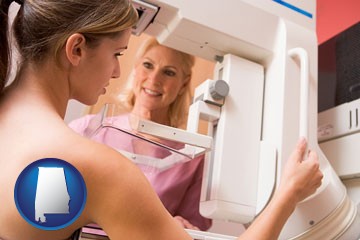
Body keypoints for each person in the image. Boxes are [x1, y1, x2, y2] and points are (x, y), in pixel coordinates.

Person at [0, 0, 323, 240]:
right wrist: (289, 194)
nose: (115, 71)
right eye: (118, 54)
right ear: (77, 49)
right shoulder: (96, 164)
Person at [69, 37, 212, 231]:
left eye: (169, 72)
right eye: (148, 65)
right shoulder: (87, 129)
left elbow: (194, 227)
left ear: (183, 84)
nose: (154, 79)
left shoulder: (192, 158)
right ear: (136, 69)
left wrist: (181, 225)